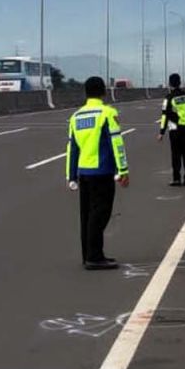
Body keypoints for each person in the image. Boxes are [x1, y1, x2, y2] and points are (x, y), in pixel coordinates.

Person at [66, 76, 130, 270]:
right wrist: (123, 169)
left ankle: (91, 254)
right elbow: (116, 142)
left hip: (84, 172)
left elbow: (72, 148)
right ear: (103, 92)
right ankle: (94, 257)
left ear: (85, 93)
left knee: (87, 215)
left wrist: (71, 175)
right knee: (100, 214)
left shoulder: (76, 116)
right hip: (102, 172)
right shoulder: (107, 113)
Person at [158, 73, 185, 186]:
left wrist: (161, 132)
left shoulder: (169, 98)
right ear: (180, 82)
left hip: (175, 129)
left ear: (170, 84)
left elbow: (164, 115)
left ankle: (176, 179)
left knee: (176, 154)